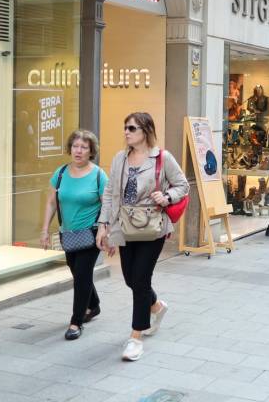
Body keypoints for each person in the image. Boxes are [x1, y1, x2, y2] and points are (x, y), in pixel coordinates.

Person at [95, 112, 189, 361]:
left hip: (152, 227)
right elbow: (110, 193)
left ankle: (136, 337)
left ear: (146, 130)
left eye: (132, 128)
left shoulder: (162, 158)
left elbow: (183, 185)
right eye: (125, 128)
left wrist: (167, 197)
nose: (126, 132)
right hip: (124, 225)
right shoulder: (120, 159)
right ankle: (156, 306)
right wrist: (103, 224)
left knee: (140, 279)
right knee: (130, 279)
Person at [41, 130, 109, 341]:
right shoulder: (60, 173)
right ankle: (94, 305)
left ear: (91, 152)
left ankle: (76, 322)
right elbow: (52, 202)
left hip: (91, 234)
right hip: (68, 234)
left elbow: (107, 205)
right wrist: (45, 229)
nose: (78, 151)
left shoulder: (98, 175)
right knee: (79, 273)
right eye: (75, 146)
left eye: (84, 147)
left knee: (81, 276)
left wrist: (105, 230)